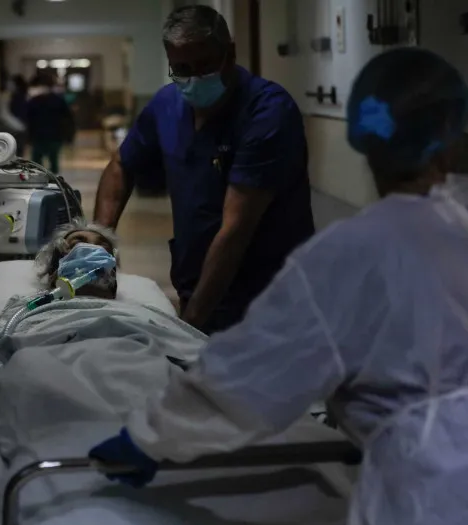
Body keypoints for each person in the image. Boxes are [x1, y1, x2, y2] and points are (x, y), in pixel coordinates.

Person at [88, 48, 468, 525]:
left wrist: (150, 437)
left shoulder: (354, 250)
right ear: (452, 131)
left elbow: (251, 374)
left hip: (453, 489)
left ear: (362, 141)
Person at [94, 5, 313, 335]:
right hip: (196, 283)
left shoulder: (267, 113)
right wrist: (98, 242)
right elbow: (122, 164)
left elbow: (235, 228)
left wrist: (190, 325)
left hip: (267, 295)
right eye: (181, 69)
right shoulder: (167, 105)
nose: (194, 79)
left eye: (205, 66)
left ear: (230, 53)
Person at [34, 218, 120, 300]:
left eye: (104, 247)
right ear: (53, 271)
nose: (93, 248)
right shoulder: (32, 309)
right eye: (76, 244)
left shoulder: (129, 311)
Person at [27, 72, 74, 174]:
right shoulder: (58, 100)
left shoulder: (34, 101)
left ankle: (40, 183)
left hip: (42, 136)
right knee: (52, 162)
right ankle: (53, 183)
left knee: (37, 164)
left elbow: (27, 120)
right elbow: (68, 119)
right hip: (53, 136)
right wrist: (69, 137)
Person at [0, 74, 29, 156]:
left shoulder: (21, 96)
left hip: (18, 129)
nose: (9, 85)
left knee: (17, 153)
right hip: (14, 128)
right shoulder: (9, 96)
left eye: (11, 83)